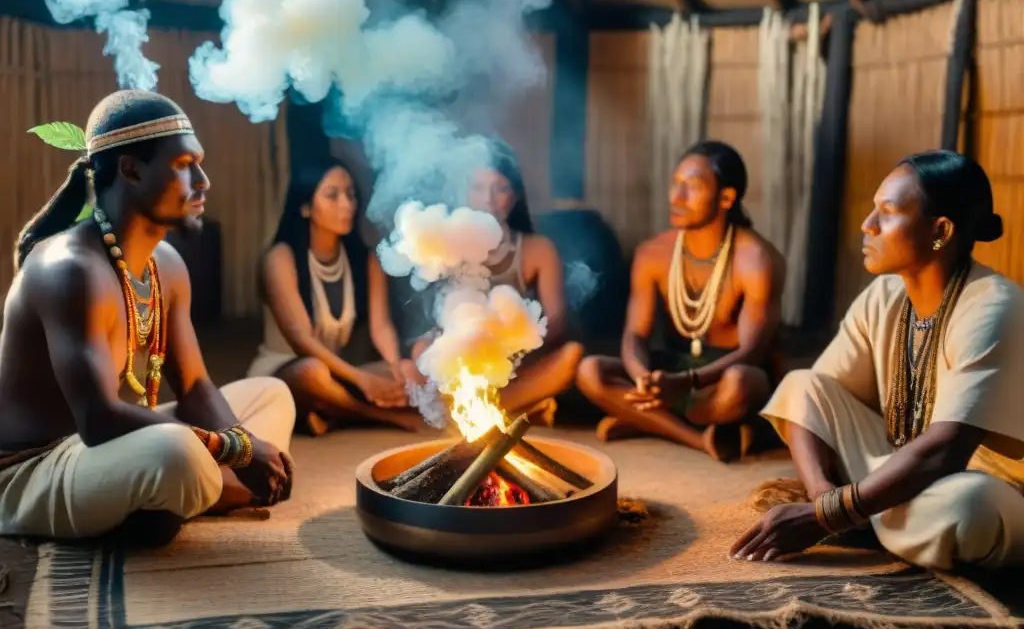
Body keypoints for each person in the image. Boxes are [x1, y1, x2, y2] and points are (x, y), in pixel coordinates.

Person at [0, 90, 296, 548]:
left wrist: (241, 443)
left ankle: (169, 503)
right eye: (183, 165)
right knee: (177, 453)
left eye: (200, 163)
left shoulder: (167, 265)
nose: (203, 181)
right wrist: (236, 451)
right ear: (131, 170)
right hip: (38, 469)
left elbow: (195, 385)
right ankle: (191, 496)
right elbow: (98, 420)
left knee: (272, 395)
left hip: (115, 447)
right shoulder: (70, 270)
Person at [731, 151, 1024, 570]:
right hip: (903, 465)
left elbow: (944, 453)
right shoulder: (883, 297)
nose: (867, 225)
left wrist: (824, 519)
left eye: (886, 213)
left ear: (940, 230)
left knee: (969, 511)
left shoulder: (995, 308)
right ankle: (863, 509)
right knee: (800, 384)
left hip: (998, 486)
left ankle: (864, 513)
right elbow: (815, 398)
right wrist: (824, 502)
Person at [576, 141, 785, 461]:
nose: (676, 197)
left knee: (742, 384)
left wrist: (684, 382)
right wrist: (642, 376)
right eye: (675, 184)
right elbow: (635, 334)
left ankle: (647, 421)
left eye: (692, 187)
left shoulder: (754, 258)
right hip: (669, 368)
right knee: (590, 371)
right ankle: (700, 439)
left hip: (721, 377)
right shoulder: (654, 252)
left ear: (726, 198)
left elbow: (751, 352)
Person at [248, 160, 426, 434]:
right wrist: (361, 380)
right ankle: (377, 416)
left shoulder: (366, 260)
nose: (347, 204)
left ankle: (331, 412)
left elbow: (381, 327)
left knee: (414, 373)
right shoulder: (280, 258)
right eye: (332, 195)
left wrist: (395, 366)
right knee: (312, 373)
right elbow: (301, 340)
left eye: (350, 194)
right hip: (285, 371)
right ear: (306, 206)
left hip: (338, 374)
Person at [414, 140, 584, 424]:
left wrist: (511, 344)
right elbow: (438, 315)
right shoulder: (447, 241)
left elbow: (557, 321)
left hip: (516, 362)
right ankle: (521, 410)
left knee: (572, 356)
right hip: (460, 363)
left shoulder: (538, 249)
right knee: (421, 353)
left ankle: (478, 415)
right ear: (465, 193)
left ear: (514, 196)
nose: (489, 200)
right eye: (478, 188)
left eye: (500, 188)